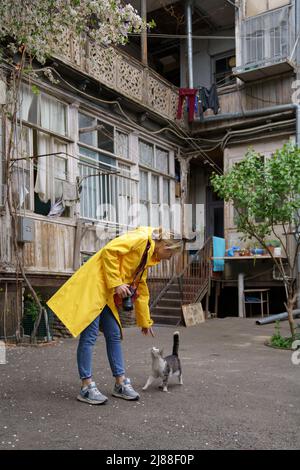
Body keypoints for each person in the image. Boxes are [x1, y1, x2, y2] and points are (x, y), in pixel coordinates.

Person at [46, 226, 182, 405]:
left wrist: (144, 321)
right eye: (170, 255)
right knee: (90, 336)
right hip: (95, 287)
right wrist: (117, 283)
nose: (168, 259)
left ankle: (120, 383)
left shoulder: (148, 254)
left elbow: (141, 287)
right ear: (165, 246)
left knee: (114, 335)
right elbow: (109, 251)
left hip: (107, 292)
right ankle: (86, 387)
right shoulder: (141, 239)